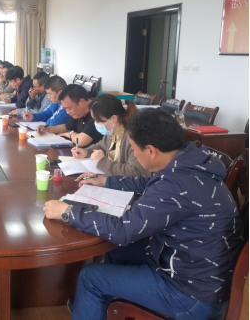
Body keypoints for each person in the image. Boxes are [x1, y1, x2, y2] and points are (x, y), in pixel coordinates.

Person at [43, 108, 243, 320]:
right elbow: (149, 183)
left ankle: (93, 301)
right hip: (194, 268)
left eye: (133, 148)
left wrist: (68, 212)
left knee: (90, 277)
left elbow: (123, 230)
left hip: (191, 295)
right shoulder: (188, 162)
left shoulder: (175, 184)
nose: (134, 153)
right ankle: (98, 307)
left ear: (150, 151)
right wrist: (106, 180)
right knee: (116, 252)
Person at [71, 94, 151, 178]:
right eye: (94, 120)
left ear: (114, 118)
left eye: (99, 121)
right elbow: (102, 146)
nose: (96, 124)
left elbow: (136, 171)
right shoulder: (112, 131)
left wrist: (102, 162)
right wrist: (86, 152)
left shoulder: (133, 137)